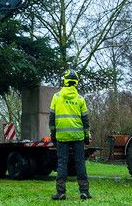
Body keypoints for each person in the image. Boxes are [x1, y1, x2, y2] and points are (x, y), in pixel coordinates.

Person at [49, 69, 91, 200]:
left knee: (62, 163)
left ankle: (60, 193)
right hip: (77, 137)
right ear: (76, 82)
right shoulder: (80, 99)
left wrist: (53, 134)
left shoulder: (56, 97)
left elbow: (51, 118)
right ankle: (84, 192)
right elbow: (85, 120)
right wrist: (87, 135)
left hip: (62, 137)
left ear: (65, 81)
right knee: (80, 163)